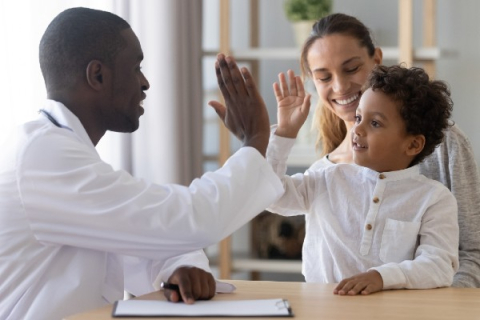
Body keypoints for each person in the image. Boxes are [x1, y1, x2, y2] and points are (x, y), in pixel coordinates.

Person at [0, 7, 283, 320]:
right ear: (98, 75)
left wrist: (178, 267)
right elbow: (187, 218)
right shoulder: (44, 156)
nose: (145, 83)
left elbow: (140, 233)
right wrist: (255, 140)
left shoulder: (57, 150)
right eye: (135, 68)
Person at [299, 13, 480, 288]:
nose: (340, 86)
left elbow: (472, 253)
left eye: (351, 69)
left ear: (377, 60)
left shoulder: (445, 144)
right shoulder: (324, 173)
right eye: (323, 77)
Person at [268, 64, 459, 295]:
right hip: (321, 310)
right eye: (358, 117)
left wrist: (381, 277)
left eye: (375, 123)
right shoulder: (326, 178)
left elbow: (439, 266)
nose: (357, 129)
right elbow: (271, 195)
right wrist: (284, 135)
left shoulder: (434, 199)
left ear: (413, 144)